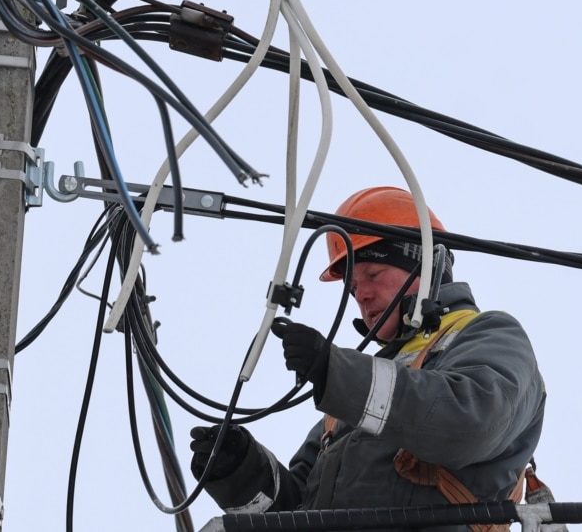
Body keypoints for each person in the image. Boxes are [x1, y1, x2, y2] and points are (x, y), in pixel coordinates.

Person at [189, 186, 549, 532]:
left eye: (373, 274)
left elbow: (471, 424)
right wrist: (241, 473)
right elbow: (300, 512)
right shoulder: (352, 399)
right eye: (352, 287)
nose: (361, 295)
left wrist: (334, 372)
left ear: (425, 265)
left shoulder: (490, 334)